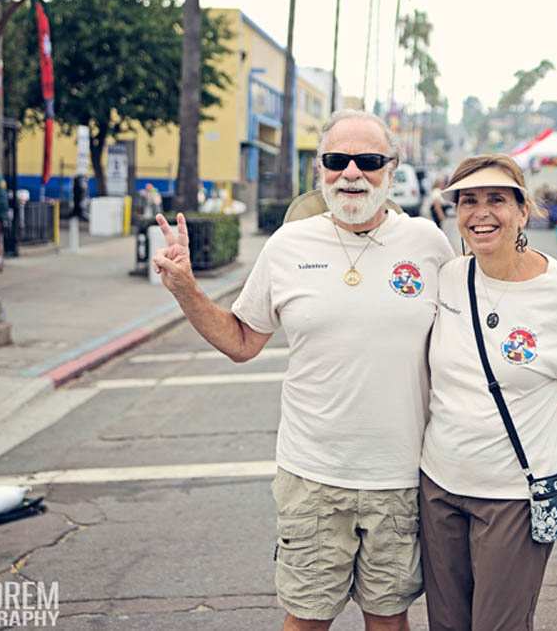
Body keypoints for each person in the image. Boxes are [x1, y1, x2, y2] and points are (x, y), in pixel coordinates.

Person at [152, 109, 452, 631]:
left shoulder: (427, 244)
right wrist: (187, 290)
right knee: (306, 620)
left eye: (368, 161)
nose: (352, 173)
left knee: (389, 620)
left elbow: (466, 338)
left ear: (392, 169)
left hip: (400, 478)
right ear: (320, 170)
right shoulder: (288, 246)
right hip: (312, 476)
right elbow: (242, 341)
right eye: (337, 161)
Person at [419, 154, 557, 630]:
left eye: (497, 199)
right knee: (446, 625)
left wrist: (548, 414)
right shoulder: (450, 277)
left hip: (513, 494)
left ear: (522, 210)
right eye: (468, 201)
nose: (481, 212)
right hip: (439, 486)